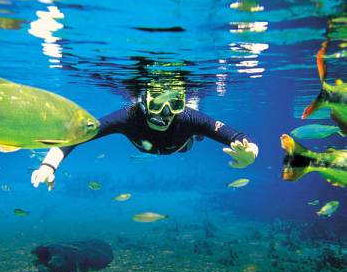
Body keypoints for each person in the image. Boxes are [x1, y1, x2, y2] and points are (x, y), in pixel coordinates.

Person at [31, 80, 258, 190]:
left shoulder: (188, 117)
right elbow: (77, 137)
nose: (166, 112)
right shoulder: (129, 116)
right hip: (148, 141)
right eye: (157, 103)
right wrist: (48, 166)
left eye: (175, 103)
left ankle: (197, 136)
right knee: (197, 129)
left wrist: (250, 155)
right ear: (143, 101)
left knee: (197, 133)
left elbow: (239, 138)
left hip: (182, 144)